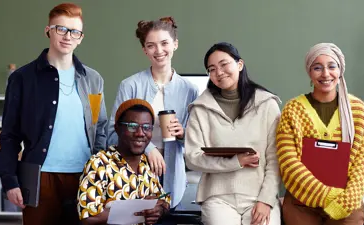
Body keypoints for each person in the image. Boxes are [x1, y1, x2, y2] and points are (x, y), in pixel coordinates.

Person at [0, 3, 107, 225]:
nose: (68, 36)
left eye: (74, 31)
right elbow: (9, 135)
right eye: (61, 29)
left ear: (81, 37)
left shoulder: (93, 80)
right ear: (48, 30)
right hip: (39, 178)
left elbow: (99, 129)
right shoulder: (22, 79)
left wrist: (100, 176)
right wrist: (10, 181)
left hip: (84, 178)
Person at [276, 43, 364, 225]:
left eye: (332, 66)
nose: (325, 74)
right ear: (309, 72)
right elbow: (288, 163)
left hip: (346, 202)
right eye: (317, 68)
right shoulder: (292, 110)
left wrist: (346, 200)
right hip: (301, 202)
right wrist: (326, 195)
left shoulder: (357, 110)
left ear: (340, 70)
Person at [185, 42, 282, 225]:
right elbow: (193, 158)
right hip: (217, 197)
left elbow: (275, 159)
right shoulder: (200, 109)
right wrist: (236, 162)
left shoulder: (267, 104)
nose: (219, 72)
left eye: (224, 64)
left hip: (258, 196)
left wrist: (266, 201)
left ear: (239, 64)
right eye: (211, 69)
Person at [106, 16, 198, 208]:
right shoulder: (130, 85)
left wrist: (182, 134)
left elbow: (197, 140)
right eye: (151, 45)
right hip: (132, 171)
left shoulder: (190, 90)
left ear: (175, 44)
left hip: (172, 173)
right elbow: (112, 132)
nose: (159, 51)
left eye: (164, 43)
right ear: (144, 50)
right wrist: (149, 149)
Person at [78, 99, 170, 225]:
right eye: (132, 126)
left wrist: (158, 209)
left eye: (146, 127)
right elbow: (88, 217)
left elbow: (164, 200)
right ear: (117, 128)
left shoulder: (147, 163)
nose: (140, 133)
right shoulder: (99, 164)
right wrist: (137, 211)